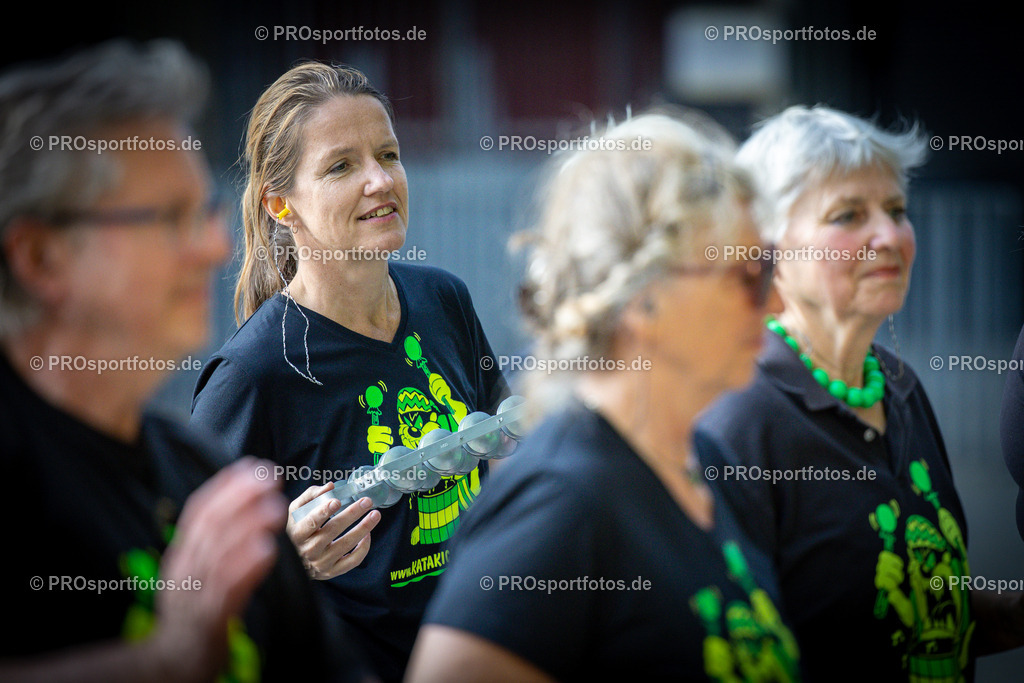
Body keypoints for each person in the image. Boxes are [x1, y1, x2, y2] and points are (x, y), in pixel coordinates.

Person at [0, 40, 367, 682]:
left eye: (204, 212)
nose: (215, 246)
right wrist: (168, 660)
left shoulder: (198, 472)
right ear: (41, 258)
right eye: (170, 218)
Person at [405, 111, 802, 682]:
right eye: (750, 274)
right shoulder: (561, 501)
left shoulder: (707, 463)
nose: (775, 306)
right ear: (646, 298)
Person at [189, 61, 507, 682]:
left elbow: (504, 446)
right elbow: (190, 583)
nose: (379, 180)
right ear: (281, 204)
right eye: (342, 166)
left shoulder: (445, 299)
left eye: (388, 154)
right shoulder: (254, 373)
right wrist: (285, 557)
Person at [695, 104, 1024, 682]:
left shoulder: (898, 384)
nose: (889, 235)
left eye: (897, 210)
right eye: (848, 215)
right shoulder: (739, 414)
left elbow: (912, 610)